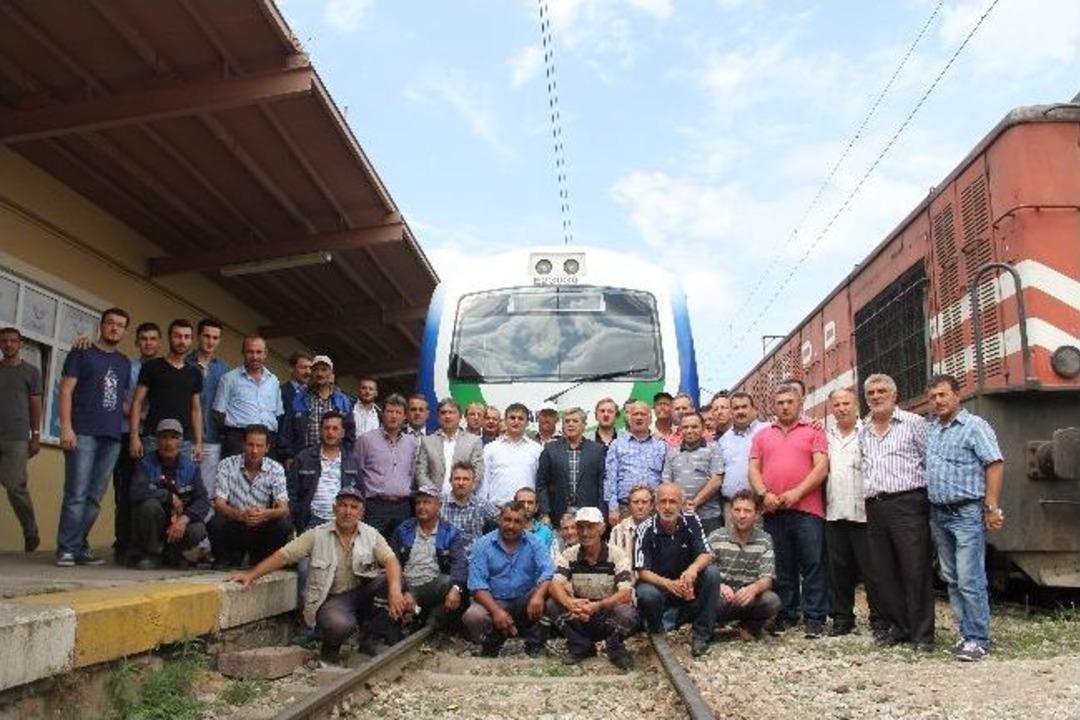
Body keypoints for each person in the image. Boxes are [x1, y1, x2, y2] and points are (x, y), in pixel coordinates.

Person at [229, 486, 408, 664]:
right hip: (332, 600)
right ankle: (330, 647)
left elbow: (391, 560)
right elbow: (284, 556)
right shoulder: (317, 534)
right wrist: (251, 575)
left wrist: (394, 590)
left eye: (354, 507)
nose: (348, 511)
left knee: (392, 580)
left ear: (360, 513)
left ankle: (371, 640)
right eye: (343, 505)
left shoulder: (370, 534)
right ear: (334, 509)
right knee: (338, 624)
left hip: (361, 593)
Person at [925, 374, 1005, 662]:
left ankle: (979, 639)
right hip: (939, 513)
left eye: (943, 395)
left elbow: (994, 463)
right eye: (933, 397)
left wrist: (991, 505)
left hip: (966, 511)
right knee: (952, 578)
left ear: (957, 395)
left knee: (970, 578)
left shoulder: (975, 426)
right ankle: (966, 634)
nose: (938, 401)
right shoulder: (932, 430)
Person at [859, 373, 934, 650]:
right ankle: (900, 627)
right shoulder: (863, 429)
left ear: (894, 394)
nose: (876, 396)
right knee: (884, 571)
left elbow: (930, 461)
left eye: (881, 391)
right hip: (875, 505)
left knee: (915, 568)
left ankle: (923, 634)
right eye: (871, 393)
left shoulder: (914, 424)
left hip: (907, 503)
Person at [748, 384, 829, 637]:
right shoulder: (762, 435)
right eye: (780, 402)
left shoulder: (814, 432)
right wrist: (764, 494)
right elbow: (753, 469)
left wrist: (797, 492)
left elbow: (821, 468)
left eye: (789, 402)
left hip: (807, 509)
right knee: (782, 566)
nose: (784, 406)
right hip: (774, 510)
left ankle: (815, 617)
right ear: (774, 405)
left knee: (813, 564)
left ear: (799, 403)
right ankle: (787, 614)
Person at [56, 307, 132, 567]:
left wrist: (141, 416)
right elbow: (65, 391)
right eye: (110, 323)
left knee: (94, 497)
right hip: (83, 432)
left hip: (111, 437)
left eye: (120, 325)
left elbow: (116, 401)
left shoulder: (123, 363)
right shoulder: (82, 352)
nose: (114, 328)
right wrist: (65, 427)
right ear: (101, 325)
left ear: (124, 331)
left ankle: (79, 547)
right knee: (76, 493)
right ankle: (66, 548)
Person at [634, 483, 721, 657]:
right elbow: (641, 570)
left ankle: (701, 635)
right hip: (659, 587)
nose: (667, 507)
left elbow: (706, 553)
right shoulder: (644, 529)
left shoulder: (691, 520)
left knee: (711, 573)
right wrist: (667, 583)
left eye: (672, 502)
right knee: (646, 593)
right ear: (656, 505)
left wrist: (692, 570)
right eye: (663, 501)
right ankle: (657, 630)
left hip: (686, 585)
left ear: (682, 504)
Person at [548, 507, 638, 669]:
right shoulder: (570, 554)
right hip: (580, 612)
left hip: (606, 613)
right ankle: (581, 646)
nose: (585, 532)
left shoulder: (617, 555)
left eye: (590, 527)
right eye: (581, 527)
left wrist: (597, 606)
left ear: (601, 529)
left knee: (626, 613)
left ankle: (615, 648)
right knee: (552, 604)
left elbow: (625, 593)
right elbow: (555, 584)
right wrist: (570, 603)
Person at [824, 387, 882, 637]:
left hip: (864, 513)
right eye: (836, 405)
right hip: (835, 512)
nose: (842, 408)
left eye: (846, 403)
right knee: (839, 571)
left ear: (856, 405)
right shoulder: (825, 437)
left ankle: (879, 619)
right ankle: (842, 618)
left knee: (872, 571)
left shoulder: (868, 432)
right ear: (832, 408)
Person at [463, 501, 554, 657]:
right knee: (473, 616)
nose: (511, 525)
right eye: (507, 520)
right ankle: (490, 642)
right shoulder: (483, 544)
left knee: (550, 597)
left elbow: (548, 571)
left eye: (517, 521)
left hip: (526, 599)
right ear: (499, 519)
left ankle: (535, 643)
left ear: (525, 524)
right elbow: (477, 586)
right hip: (496, 599)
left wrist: (538, 595)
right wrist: (496, 611)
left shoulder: (535, 542)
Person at [128, 419, 209, 570]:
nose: (168, 443)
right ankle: (152, 554)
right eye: (164, 437)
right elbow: (136, 492)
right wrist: (168, 496)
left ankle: (174, 554)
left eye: (173, 437)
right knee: (149, 507)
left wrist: (184, 520)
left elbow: (203, 500)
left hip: (177, 521)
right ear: (157, 441)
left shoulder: (191, 467)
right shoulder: (145, 464)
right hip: (153, 522)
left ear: (181, 441)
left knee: (198, 529)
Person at [209, 424, 292, 567]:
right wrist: (239, 515)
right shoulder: (226, 465)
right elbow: (219, 503)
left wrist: (265, 514)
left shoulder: (276, 468)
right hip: (235, 523)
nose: (254, 451)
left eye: (259, 446)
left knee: (284, 525)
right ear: (243, 445)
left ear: (267, 448)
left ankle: (264, 560)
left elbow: (283, 508)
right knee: (215, 523)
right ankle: (225, 559)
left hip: (261, 526)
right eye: (250, 445)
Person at [112, 321, 161, 563]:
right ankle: (123, 544)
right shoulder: (127, 367)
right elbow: (117, 398)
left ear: (159, 342)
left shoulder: (165, 368)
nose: (148, 343)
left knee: (150, 492)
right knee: (125, 491)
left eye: (153, 339)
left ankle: (147, 545)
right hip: (126, 434)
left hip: (154, 437)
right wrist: (137, 415)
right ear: (137, 342)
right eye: (144, 339)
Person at [705, 489, 781, 640]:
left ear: (757, 514)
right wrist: (719, 585)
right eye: (737, 510)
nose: (742, 515)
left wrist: (753, 589)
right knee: (705, 599)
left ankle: (748, 627)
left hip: (747, 597)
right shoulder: (716, 537)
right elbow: (704, 571)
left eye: (747, 511)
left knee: (772, 601)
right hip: (721, 597)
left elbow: (767, 578)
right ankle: (708, 628)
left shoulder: (765, 540)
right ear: (730, 512)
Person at [389, 484, 467, 629]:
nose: (421, 506)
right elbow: (393, 563)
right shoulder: (403, 529)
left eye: (427, 502)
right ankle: (407, 618)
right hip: (406, 584)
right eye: (418, 502)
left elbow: (460, 563)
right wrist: (403, 591)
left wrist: (456, 589)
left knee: (451, 582)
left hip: (433, 587)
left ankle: (430, 616)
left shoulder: (450, 532)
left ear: (439, 506)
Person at [129, 319, 203, 463]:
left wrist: (198, 442)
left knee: (181, 485)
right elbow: (137, 403)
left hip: (184, 441)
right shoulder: (151, 367)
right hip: (153, 438)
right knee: (149, 484)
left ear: (191, 340)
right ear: (169, 337)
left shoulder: (195, 373)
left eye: (186, 337)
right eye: (177, 336)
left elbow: (196, 409)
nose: (182, 341)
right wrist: (134, 437)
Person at [0, 327, 43, 552]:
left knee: (15, 486)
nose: (8, 344)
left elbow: (36, 405)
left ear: (20, 344)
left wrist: (35, 435)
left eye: (12, 341)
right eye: (4, 341)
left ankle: (30, 531)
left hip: (16, 437)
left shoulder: (31, 372)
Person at [354, 393, 417, 538]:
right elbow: (357, 474)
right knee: (371, 551)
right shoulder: (366, 440)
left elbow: (413, 473)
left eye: (398, 412)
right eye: (390, 411)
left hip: (403, 507)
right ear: (383, 413)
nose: (394, 416)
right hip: (375, 507)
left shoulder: (412, 443)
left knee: (400, 553)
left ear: (404, 416)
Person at [287, 412, 361, 532]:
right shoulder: (304, 457)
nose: (330, 432)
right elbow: (291, 492)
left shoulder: (353, 461)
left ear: (342, 433)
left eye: (335, 428)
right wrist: (294, 520)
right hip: (310, 521)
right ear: (320, 431)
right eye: (326, 428)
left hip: (343, 522)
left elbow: (360, 494)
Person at [213, 336, 283, 458]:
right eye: (250, 351)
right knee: (235, 476)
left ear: (265, 354)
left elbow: (278, 413)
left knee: (266, 476)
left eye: (259, 352)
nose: (255, 356)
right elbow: (218, 413)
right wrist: (233, 434)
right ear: (243, 353)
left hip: (267, 440)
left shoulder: (274, 380)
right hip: (238, 440)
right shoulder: (229, 379)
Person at [536, 407, 606, 526]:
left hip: (589, 514)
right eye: (567, 421)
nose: (570, 424)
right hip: (557, 514)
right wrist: (545, 512)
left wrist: (602, 513)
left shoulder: (597, 450)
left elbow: (602, 485)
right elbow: (541, 483)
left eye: (575, 421)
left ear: (584, 425)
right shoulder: (550, 449)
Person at [604, 400, 666, 527]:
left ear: (650, 418)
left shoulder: (661, 445)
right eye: (635, 414)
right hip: (624, 508)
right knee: (625, 545)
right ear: (629, 418)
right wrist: (612, 508)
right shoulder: (617, 444)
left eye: (643, 414)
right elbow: (610, 477)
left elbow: (666, 478)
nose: (638, 417)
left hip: (653, 508)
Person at [186, 318, 229, 502]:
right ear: (198, 337)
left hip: (212, 438)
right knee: (183, 490)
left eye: (215, 337)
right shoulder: (185, 363)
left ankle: (201, 532)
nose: (211, 341)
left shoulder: (224, 369)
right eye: (207, 336)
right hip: (186, 437)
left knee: (207, 493)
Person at [661, 412, 725, 534]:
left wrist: (695, 502)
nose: (689, 430)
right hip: (680, 515)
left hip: (709, 516)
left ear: (702, 428)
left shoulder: (713, 448)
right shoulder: (672, 452)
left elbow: (716, 480)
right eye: (685, 427)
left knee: (709, 552)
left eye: (694, 426)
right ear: (680, 430)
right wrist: (681, 503)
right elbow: (667, 482)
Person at [281, 355, 355, 459]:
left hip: (334, 459)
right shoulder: (300, 399)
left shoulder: (343, 400)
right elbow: (287, 430)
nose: (319, 374)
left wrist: (345, 456)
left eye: (324, 370)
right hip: (304, 458)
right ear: (312, 373)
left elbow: (350, 432)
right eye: (316, 370)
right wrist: (288, 456)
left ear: (331, 373)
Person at [415, 398, 484, 497]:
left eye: (451, 412)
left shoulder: (473, 441)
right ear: (438, 417)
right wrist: (434, 494)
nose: (447, 416)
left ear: (460, 417)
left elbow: (478, 472)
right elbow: (421, 472)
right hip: (434, 501)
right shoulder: (427, 441)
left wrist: (462, 493)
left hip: (463, 500)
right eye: (443, 413)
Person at [715, 392, 768, 519]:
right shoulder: (723, 440)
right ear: (731, 412)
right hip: (730, 507)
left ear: (754, 410)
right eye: (736, 408)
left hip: (759, 505)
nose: (740, 411)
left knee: (760, 539)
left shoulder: (768, 430)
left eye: (744, 407)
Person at [480, 403, 542, 506]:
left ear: (527, 423)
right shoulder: (490, 448)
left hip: (526, 511)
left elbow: (540, 483)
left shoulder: (537, 450)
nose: (516, 422)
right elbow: (484, 482)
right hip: (496, 511)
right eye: (512, 418)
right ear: (505, 421)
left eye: (520, 418)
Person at [440, 461, 499, 558]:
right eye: (457, 479)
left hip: (474, 560)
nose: (461, 483)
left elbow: (505, 520)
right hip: (446, 559)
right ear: (450, 481)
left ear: (473, 482)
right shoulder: (439, 504)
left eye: (466, 479)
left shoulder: (481, 504)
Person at [608, 484, 653, 565]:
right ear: (629, 505)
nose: (640, 506)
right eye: (635, 502)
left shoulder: (659, 529)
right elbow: (611, 562)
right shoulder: (617, 531)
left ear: (651, 505)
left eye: (644, 502)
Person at [280, 351, 313, 417]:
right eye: (304, 367)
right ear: (291, 369)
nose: (308, 372)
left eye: (310, 368)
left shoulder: (313, 393)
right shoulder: (280, 393)